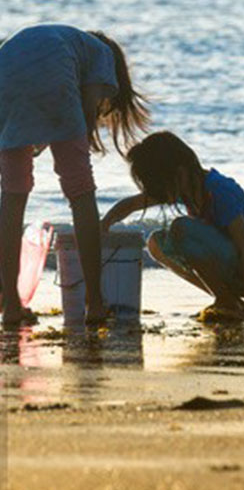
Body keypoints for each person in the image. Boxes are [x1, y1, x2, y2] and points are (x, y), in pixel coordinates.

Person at [0, 24, 149, 327]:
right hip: (48, 75)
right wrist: (82, 132)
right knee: (80, 192)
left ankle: (11, 305)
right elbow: (86, 112)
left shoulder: (68, 42)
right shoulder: (102, 53)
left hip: (4, 74)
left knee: (13, 195)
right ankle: (95, 302)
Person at [102, 131, 244, 318]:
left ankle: (228, 300)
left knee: (181, 228)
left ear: (180, 173)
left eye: (161, 187)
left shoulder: (220, 190)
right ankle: (226, 298)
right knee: (155, 244)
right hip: (232, 268)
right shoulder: (183, 187)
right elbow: (132, 204)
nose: (160, 195)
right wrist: (104, 224)